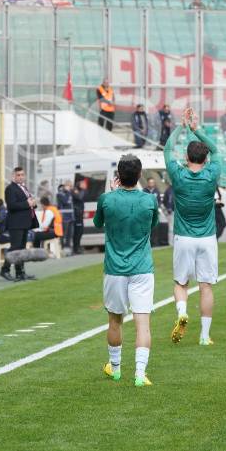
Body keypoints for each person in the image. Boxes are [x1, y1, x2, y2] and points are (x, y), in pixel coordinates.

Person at [96, 154, 159, 387]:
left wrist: (112, 194)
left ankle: (115, 369)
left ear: (118, 176)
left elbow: (97, 223)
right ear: (140, 175)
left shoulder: (106, 199)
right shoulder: (149, 200)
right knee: (143, 324)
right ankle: (140, 374)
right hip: (142, 267)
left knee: (115, 321)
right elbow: (152, 225)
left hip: (115, 268)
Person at [164, 108, 222, 346]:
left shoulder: (178, 174)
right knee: (206, 286)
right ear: (205, 159)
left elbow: (167, 149)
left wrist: (181, 126)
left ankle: (181, 313)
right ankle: (204, 335)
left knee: (181, 283)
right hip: (207, 237)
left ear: (187, 158)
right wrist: (197, 130)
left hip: (184, 237)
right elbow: (216, 149)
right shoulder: (212, 173)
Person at [3, 167, 39, 281]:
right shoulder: (10, 189)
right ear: (13, 176)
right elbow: (11, 206)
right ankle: (5, 270)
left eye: (22, 175)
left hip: (24, 223)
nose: (20, 177)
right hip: (15, 223)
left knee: (22, 249)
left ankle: (20, 272)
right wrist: (27, 203)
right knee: (15, 248)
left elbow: (27, 203)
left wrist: (33, 203)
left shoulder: (24, 188)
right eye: (18, 175)